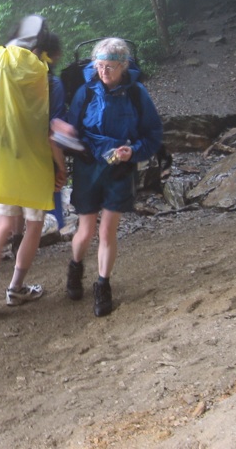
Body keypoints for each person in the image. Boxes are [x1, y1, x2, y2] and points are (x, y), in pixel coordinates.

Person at [0, 14, 66, 315]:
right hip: (33, 156)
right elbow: (52, 128)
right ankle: (16, 289)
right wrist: (61, 167)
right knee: (33, 223)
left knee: (1, 225)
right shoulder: (43, 75)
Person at [63, 38, 163, 317]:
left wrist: (133, 151)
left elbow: (153, 135)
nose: (104, 72)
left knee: (107, 230)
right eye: (100, 66)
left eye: (110, 67)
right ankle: (75, 267)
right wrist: (80, 149)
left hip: (120, 169)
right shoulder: (85, 92)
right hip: (88, 168)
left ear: (124, 66)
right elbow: (72, 131)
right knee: (85, 231)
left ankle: (102, 285)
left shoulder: (136, 93)